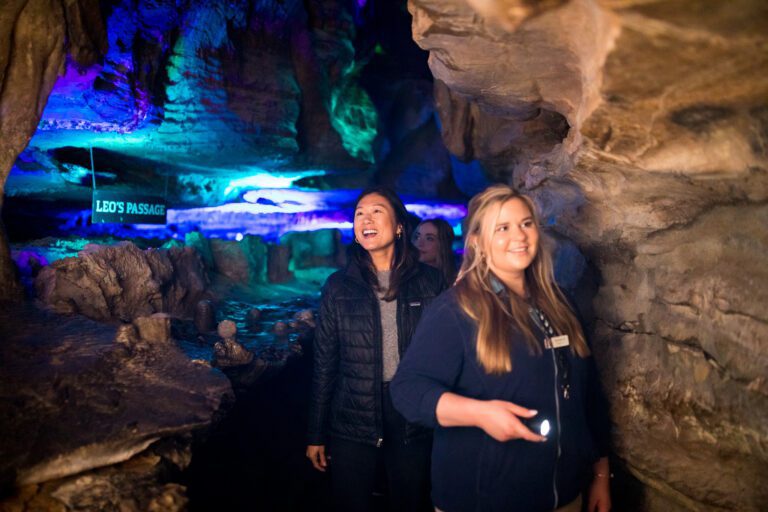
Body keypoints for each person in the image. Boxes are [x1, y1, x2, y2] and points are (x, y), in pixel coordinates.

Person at [390, 184, 612, 512]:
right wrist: (480, 414)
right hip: (485, 500)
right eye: (503, 228)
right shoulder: (456, 309)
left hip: (566, 496)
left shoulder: (560, 301)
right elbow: (407, 390)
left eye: (526, 223)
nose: (519, 236)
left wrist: (601, 475)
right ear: (478, 241)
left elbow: (587, 394)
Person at [306, 186, 447, 512]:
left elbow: (447, 355)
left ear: (399, 226)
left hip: (412, 413)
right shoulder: (337, 286)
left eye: (376, 211)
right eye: (359, 214)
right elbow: (324, 363)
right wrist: (315, 433)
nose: (365, 219)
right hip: (352, 414)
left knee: (410, 501)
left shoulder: (430, 282)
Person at [412, 218, 457, 285]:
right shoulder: (403, 277)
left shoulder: (455, 282)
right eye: (417, 237)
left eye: (429, 239)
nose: (420, 243)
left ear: (443, 245)